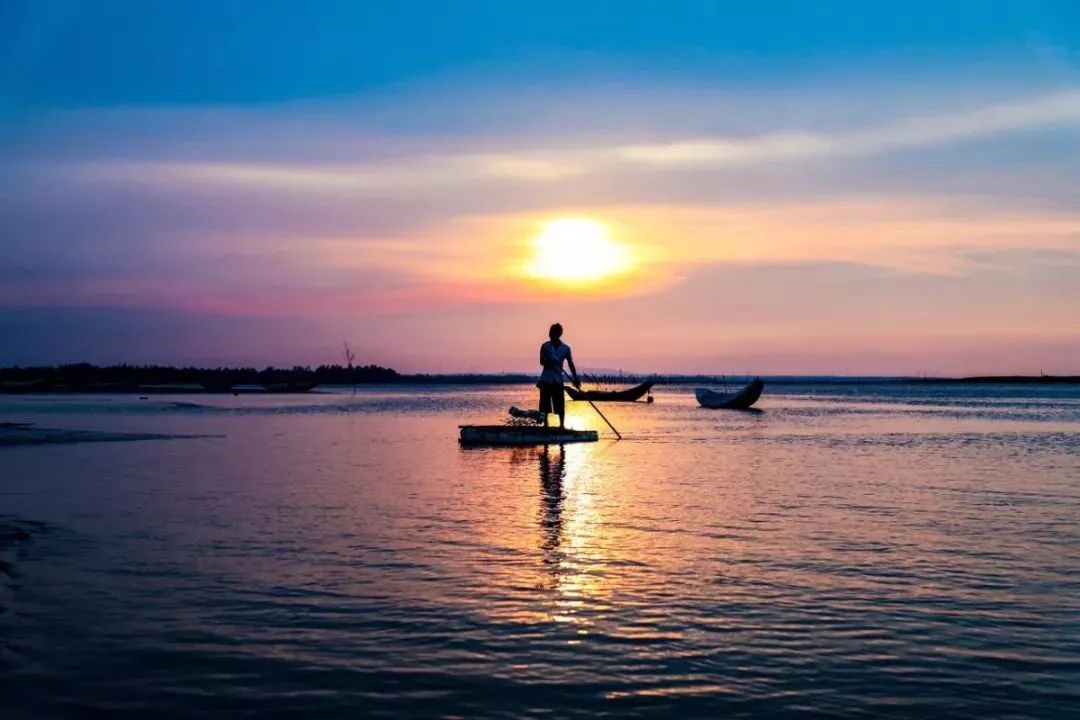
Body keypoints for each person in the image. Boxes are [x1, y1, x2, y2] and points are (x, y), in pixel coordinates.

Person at [538, 323, 580, 428]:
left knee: (560, 405)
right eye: (550, 332)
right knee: (545, 405)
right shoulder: (545, 346)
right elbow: (541, 361)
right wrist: (549, 362)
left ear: (558, 334)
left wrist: (575, 378)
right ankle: (545, 425)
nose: (550, 334)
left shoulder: (565, 348)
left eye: (552, 333)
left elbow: (570, 363)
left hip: (558, 380)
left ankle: (561, 426)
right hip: (546, 380)